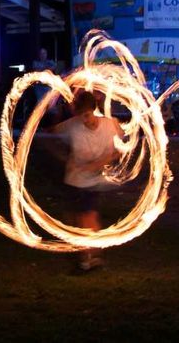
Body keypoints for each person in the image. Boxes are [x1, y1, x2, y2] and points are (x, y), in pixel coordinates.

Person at [51, 91, 123, 271]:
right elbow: (48, 134)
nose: (84, 120)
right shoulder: (72, 125)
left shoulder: (110, 125)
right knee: (77, 217)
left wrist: (102, 161)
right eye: (80, 115)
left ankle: (88, 256)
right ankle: (88, 253)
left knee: (88, 216)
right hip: (74, 179)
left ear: (94, 110)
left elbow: (120, 149)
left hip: (93, 180)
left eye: (87, 115)